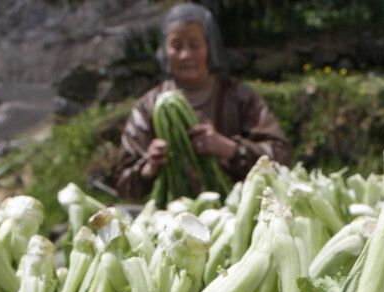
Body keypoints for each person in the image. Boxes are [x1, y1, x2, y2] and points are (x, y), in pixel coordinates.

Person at [114, 3, 292, 200]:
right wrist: (149, 167)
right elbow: (123, 184)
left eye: (194, 44)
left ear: (210, 46)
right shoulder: (148, 107)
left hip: (234, 211)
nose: (186, 55)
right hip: (171, 218)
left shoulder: (240, 97)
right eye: (176, 45)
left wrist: (229, 149)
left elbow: (281, 158)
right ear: (165, 50)